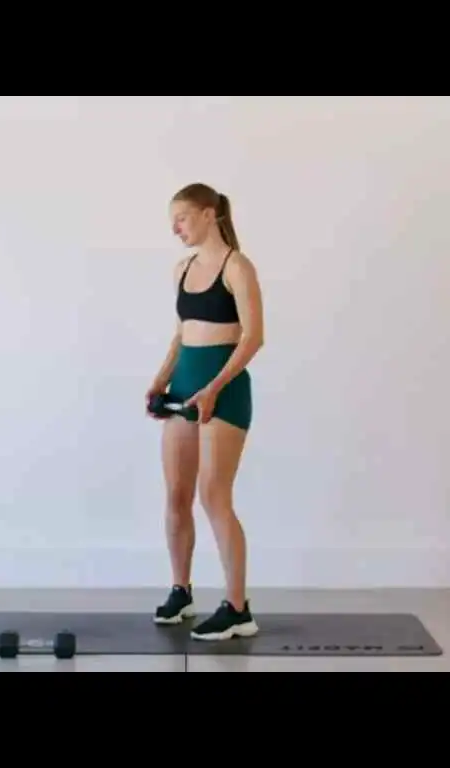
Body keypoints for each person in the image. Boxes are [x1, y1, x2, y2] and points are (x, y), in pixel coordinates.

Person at [145, 182, 265, 641]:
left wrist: (213, 389)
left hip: (224, 392)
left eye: (181, 218)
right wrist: (160, 381)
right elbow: (182, 334)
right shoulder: (182, 269)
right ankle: (182, 591)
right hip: (184, 389)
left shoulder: (238, 267)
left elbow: (253, 338)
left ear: (208, 213)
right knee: (177, 495)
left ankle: (238, 608)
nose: (175, 229)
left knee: (214, 495)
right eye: (172, 221)